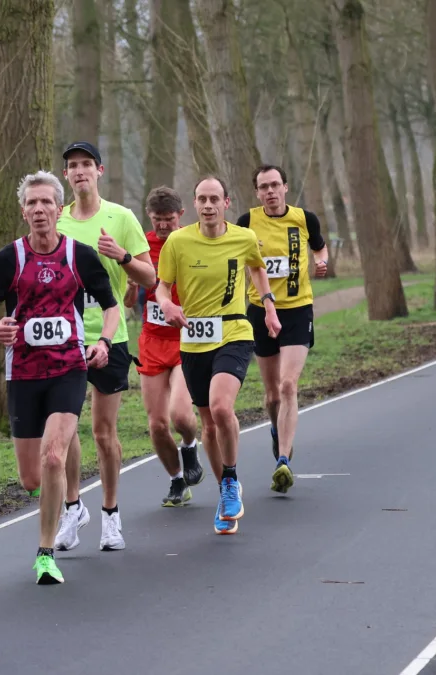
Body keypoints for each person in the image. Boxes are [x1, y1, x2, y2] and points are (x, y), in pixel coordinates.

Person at [0, 171, 120, 584]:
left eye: (46, 203)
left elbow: (112, 307)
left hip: (68, 369)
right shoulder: (10, 258)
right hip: (22, 373)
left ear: (59, 209)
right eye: (32, 204)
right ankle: (67, 495)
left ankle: (45, 552)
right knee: (31, 477)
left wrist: (104, 343)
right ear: (24, 212)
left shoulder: (80, 255)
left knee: (53, 455)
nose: (39, 210)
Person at [156, 176, 281, 534]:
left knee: (222, 407)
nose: (208, 205)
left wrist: (268, 307)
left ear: (227, 203)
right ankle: (225, 492)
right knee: (208, 423)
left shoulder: (242, 238)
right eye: (201, 199)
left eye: (214, 199)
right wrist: (166, 305)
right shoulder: (178, 242)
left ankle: (230, 480)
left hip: (234, 331)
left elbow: (256, 266)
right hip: (194, 340)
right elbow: (162, 287)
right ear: (194, 205)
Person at [54, 141, 155, 553]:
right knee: (65, 428)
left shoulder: (121, 217)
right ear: (66, 176)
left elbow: (150, 277)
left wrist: (123, 255)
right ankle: (73, 506)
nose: (79, 172)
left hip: (110, 337)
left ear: (100, 170)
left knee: (103, 431)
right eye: (72, 166)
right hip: (66, 337)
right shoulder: (56, 219)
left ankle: (111, 515)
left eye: (86, 165)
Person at [235, 165, 327, 493]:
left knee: (289, 385)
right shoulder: (246, 223)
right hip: (259, 311)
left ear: (286, 187)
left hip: (298, 309)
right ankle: (277, 430)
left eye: (276, 185)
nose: (271, 191)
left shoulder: (305, 219)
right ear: (257, 193)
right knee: (272, 394)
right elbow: (232, 258)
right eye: (264, 187)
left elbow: (319, 246)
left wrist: (321, 261)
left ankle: (283, 461)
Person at [132, 186, 204, 507]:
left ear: (181, 216)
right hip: (151, 339)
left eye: (169, 219)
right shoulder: (141, 246)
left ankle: (189, 445)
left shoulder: (192, 240)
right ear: (150, 217)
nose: (163, 225)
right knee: (157, 424)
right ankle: (177, 480)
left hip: (186, 340)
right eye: (158, 219)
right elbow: (128, 288)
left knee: (180, 416)